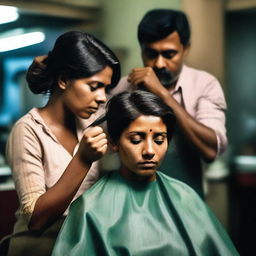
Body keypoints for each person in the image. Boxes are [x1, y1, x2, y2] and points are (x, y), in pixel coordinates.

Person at [52, 90, 238, 256]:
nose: (149, 150)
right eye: (136, 139)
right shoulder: (89, 208)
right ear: (114, 143)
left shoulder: (186, 197)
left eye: (159, 140)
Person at [5, 30, 120, 256]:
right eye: (94, 86)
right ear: (64, 80)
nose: (102, 98)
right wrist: (82, 159)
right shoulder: (27, 130)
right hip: (38, 249)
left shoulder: (89, 122)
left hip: (80, 246)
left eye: (105, 89)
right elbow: (36, 219)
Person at [109, 9, 227, 198]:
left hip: (186, 202)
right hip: (129, 201)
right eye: (151, 53)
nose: (159, 64)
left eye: (169, 54)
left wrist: (162, 94)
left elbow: (211, 150)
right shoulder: (122, 88)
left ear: (185, 49)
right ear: (141, 49)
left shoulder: (205, 85)